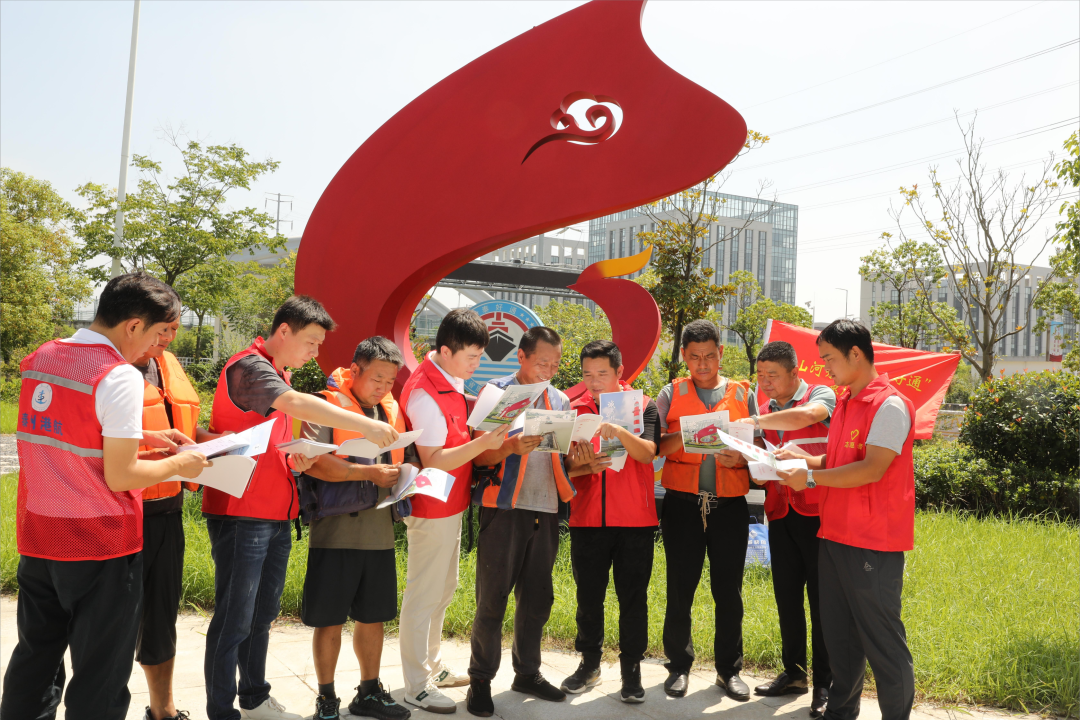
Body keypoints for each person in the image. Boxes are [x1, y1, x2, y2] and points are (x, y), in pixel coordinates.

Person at [1, 272, 210, 720]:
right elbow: (121, 476)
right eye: (158, 333)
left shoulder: (42, 357)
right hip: (100, 545)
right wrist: (181, 465)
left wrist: (144, 437)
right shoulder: (117, 375)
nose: (157, 346)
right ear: (133, 325)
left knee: (35, 660)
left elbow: (70, 435)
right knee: (100, 674)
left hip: (40, 537)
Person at [202, 295, 399, 720]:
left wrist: (297, 461)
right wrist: (366, 424)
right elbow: (294, 403)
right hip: (241, 511)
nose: (315, 352)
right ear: (284, 331)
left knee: (262, 615)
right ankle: (221, 711)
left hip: (276, 511)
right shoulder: (249, 367)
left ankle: (254, 698)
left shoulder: (278, 372)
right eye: (311, 342)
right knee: (235, 619)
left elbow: (270, 445)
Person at [776, 319, 916, 720]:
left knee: (883, 642)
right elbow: (840, 460)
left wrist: (811, 478)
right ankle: (840, 712)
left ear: (856, 354)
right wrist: (807, 460)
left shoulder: (888, 405)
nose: (825, 367)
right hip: (834, 535)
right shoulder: (845, 402)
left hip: (872, 541)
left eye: (830, 359)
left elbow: (872, 468)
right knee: (841, 639)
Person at [297, 337, 416, 720]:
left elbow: (405, 456)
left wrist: (409, 477)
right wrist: (368, 473)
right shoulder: (325, 405)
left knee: (374, 616)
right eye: (377, 379)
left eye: (390, 381)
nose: (384, 387)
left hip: (380, 531)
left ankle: (369, 691)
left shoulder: (390, 411)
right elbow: (315, 464)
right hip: (334, 533)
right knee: (329, 619)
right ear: (355, 370)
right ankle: (326, 698)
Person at [398, 308, 509, 714]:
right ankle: (416, 685)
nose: (477, 364)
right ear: (446, 351)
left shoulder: (449, 377)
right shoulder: (425, 392)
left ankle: (433, 667)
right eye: (472, 357)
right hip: (432, 505)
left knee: (443, 590)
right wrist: (485, 443)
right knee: (423, 593)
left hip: (452, 501)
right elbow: (435, 459)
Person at [465, 327, 576, 717]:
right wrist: (509, 447)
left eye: (556, 364)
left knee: (537, 599)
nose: (549, 370)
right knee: (492, 599)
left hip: (546, 508)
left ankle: (527, 673)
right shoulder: (497, 393)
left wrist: (582, 458)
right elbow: (477, 456)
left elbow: (559, 457)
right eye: (543, 362)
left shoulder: (560, 399)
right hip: (504, 507)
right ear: (521, 358)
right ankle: (480, 680)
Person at [134, 319, 229, 720]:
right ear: (135, 323)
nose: (169, 337)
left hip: (167, 511)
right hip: (118, 514)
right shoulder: (106, 369)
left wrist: (220, 444)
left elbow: (183, 426)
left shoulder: (167, 363)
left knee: (161, 615)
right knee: (109, 623)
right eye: (163, 328)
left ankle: (164, 711)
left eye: (175, 328)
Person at [734, 341, 835, 717]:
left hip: (818, 513)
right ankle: (794, 674)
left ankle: (825, 683)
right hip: (780, 513)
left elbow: (808, 417)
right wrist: (753, 463)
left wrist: (757, 423)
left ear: (795, 372)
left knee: (822, 602)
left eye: (773, 376)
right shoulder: (764, 410)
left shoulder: (819, 395)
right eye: (760, 376)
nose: (765, 383)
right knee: (787, 598)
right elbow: (760, 465)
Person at [654, 319, 753, 701]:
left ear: (720, 353)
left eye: (709, 355)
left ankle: (729, 670)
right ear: (684, 356)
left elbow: (759, 449)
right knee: (680, 589)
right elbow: (656, 447)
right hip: (682, 506)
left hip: (729, 506)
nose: (703, 364)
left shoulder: (744, 393)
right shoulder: (670, 393)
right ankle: (678, 666)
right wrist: (690, 432)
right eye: (694, 357)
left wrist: (740, 457)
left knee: (729, 591)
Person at [560, 339, 660, 704]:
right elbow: (564, 466)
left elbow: (648, 453)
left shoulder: (644, 406)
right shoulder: (573, 409)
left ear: (620, 371)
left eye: (602, 373)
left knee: (633, 599)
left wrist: (618, 431)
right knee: (588, 597)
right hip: (587, 518)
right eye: (587, 374)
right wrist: (581, 463)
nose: (594, 381)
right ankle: (589, 664)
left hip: (635, 520)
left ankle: (631, 671)